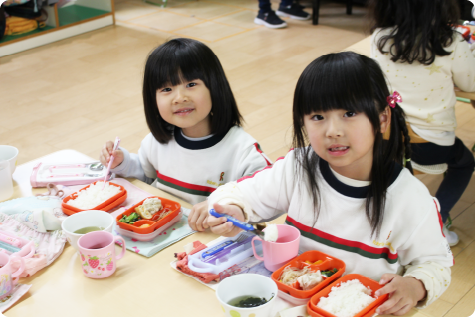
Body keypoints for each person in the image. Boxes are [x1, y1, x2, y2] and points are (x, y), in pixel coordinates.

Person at [204, 52, 453, 315]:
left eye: (349, 113)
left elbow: (436, 264)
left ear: (382, 119)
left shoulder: (409, 197)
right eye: (317, 117)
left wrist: (415, 286)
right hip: (292, 303)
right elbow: (241, 193)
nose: (332, 130)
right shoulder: (298, 167)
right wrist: (234, 208)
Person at [99, 38, 272, 231]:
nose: (180, 98)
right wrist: (122, 162)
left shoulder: (243, 150)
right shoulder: (155, 142)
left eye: (191, 84)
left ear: (214, 87)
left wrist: (230, 203)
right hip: (162, 235)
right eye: (167, 89)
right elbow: (147, 177)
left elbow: (270, 195)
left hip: (213, 244)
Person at [369, 0, 475, 246]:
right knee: (465, 163)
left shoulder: (380, 38)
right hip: (432, 145)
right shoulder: (450, 41)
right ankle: (438, 221)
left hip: (385, 138)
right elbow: (470, 84)